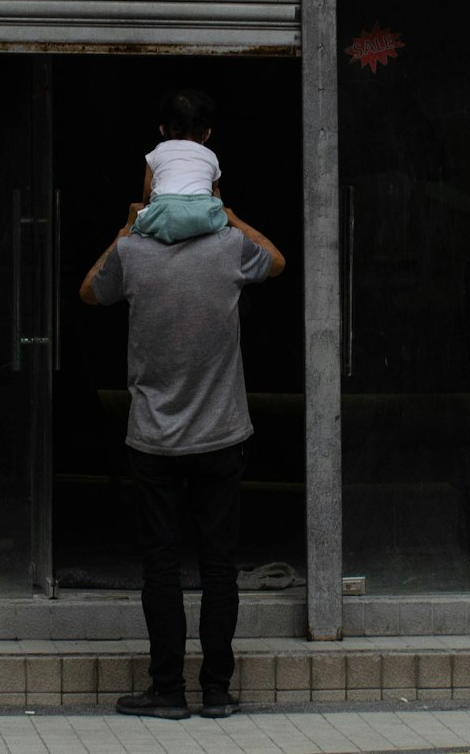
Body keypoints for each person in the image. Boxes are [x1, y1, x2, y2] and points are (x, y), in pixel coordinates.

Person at [79, 197, 285, 720]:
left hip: (155, 440)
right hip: (221, 434)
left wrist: (125, 226)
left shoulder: (133, 252)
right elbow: (277, 260)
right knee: (220, 565)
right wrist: (232, 215)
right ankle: (216, 689)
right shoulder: (229, 247)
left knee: (161, 565)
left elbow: (89, 291)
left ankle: (167, 689)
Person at [131, 89, 228, 244]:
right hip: (202, 216)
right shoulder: (210, 156)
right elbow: (212, 188)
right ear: (207, 133)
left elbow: (147, 195)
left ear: (162, 130)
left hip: (163, 215)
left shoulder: (157, 152)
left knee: (137, 226)